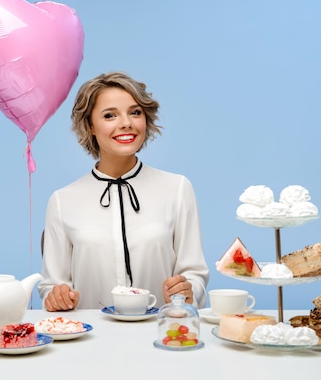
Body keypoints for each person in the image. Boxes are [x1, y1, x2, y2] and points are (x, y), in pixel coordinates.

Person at [38, 71, 209, 311]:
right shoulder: (62, 200)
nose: (126, 123)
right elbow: (51, 286)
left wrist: (189, 290)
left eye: (135, 112)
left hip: (161, 337)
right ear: (90, 126)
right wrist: (56, 296)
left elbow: (194, 275)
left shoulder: (178, 188)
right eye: (110, 115)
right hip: (91, 343)